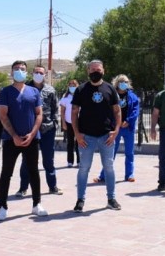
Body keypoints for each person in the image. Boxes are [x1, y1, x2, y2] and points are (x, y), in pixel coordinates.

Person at [0, 60, 48, 220]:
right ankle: (2, 207)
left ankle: (36, 204)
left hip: (31, 139)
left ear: (27, 72)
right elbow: (3, 116)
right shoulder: (5, 92)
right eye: (16, 69)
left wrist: (32, 134)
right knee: (6, 173)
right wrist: (15, 136)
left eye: (23, 69)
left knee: (34, 172)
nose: (20, 71)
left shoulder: (33, 92)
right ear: (11, 72)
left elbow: (39, 114)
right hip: (11, 140)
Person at [72, 60, 122, 212]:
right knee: (83, 168)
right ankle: (80, 200)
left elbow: (117, 111)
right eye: (92, 69)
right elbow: (74, 112)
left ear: (103, 71)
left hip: (106, 136)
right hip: (86, 137)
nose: (95, 72)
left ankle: (111, 199)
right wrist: (77, 134)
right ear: (88, 71)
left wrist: (116, 130)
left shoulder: (110, 89)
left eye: (98, 69)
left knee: (109, 168)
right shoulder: (81, 90)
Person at [16, 65, 62, 196]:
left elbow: (55, 108)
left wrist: (54, 123)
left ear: (44, 75)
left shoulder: (50, 89)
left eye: (41, 72)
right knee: (27, 161)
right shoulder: (25, 89)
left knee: (48, 160)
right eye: (36, 72)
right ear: (32, 73)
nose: (38, 74)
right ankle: (23, 188)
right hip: (30, 131)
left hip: (47, 129)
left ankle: (53, 186)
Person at [96, 74, 140, 183]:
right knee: (110, 152)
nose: (123, 84)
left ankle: (129, 175)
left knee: (129, 153)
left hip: (128, 128)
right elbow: (107, 110)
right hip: (115, 128)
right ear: (117, 83)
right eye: (121, 82)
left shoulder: (132, 97)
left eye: (125, 82)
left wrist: (128, 121)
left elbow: (136, 110)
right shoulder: (112, 94)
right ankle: (103, 175)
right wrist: (115, 123)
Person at [59, 79, 80, 168]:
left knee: (79, 142)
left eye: (74, 85)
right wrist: (63, 123)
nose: (72, 87)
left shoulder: (81, 96)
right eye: (70, 85)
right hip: (68, 122)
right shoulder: (65, 98)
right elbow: (62, 111)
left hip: (79, 123)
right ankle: (70, 161)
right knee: (70, 142)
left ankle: (79, 161)